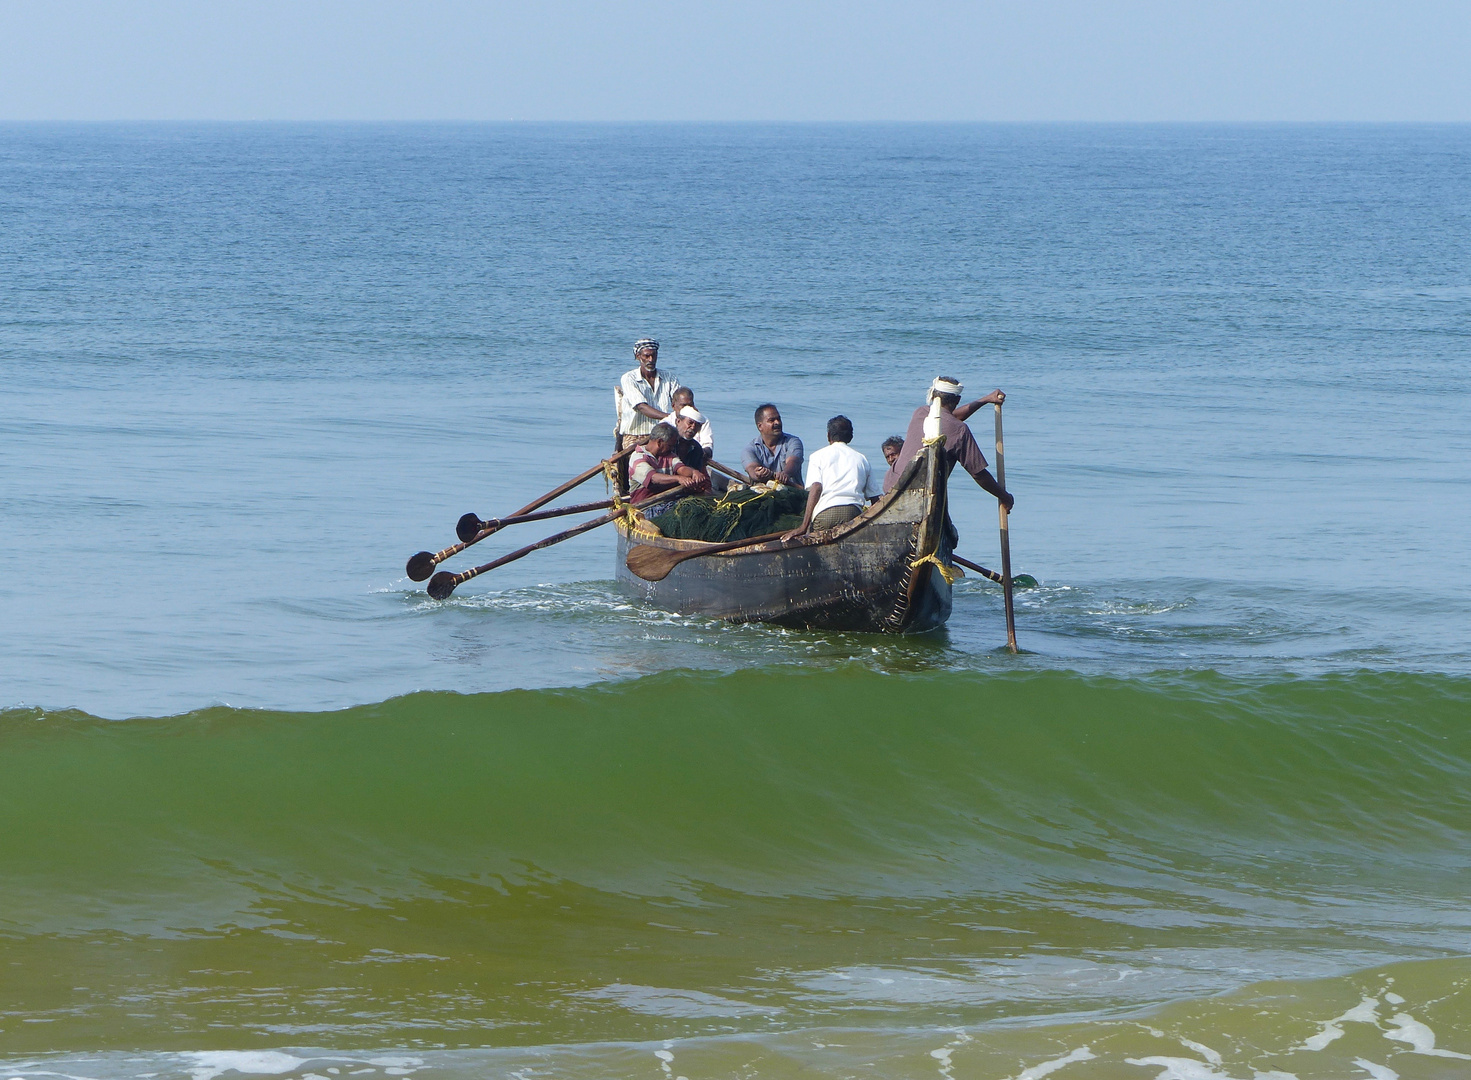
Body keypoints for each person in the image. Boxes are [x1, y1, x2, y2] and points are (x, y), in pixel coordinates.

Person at [883, 377, 1014, 514]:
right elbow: (978, 474)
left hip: (892, 486)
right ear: (957, 400)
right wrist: (1005, 497)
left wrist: (985, 400)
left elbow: (949, 418)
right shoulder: (960, 430)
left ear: (933, 395)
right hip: (922, 495)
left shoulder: (920, 412)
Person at [782, 416, 883, 541]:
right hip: (854, 514)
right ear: (850, 437)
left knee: (815, 536)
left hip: (825, 514)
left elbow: (816, 488)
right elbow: (876, 498)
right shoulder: (861, 459)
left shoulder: (817, 456)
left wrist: (804, 526)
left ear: (828, 435)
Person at [628, 422, 707, 515]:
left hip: (667, 503)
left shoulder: (669, 456)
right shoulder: (638, 457)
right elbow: (654, 478)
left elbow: (681, 468)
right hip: (645, 507)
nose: (672, 448)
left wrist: (694, 472)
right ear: (659, 442)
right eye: (670, 445)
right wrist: (678, 478)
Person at [618, 340, 682, 451]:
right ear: (638, 357)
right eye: (646, 356)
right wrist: (669, 417)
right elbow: (641, 406)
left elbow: (680, 402)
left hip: (662, 434)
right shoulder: (629, 378)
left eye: (653, 355)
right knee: (641, 461)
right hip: (635, 436)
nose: (651, 360)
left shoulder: (669, 377)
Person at [741, 403, 803, 486]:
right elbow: (751, 468)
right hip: (762, 492)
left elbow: (793, 461)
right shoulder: (750, 449)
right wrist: (758, 473)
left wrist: (785, 474)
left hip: (793, 491)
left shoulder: (793, 441)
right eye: (771, 420)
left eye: (778, 419)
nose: (777, 422)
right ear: (760, 426)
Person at [664, 387, 714, 459]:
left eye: (690, 405)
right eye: (683, 405)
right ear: (673, 406)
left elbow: (708, 446)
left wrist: (699, 454)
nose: (687, 408)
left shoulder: (702, 421)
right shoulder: (665, 423)